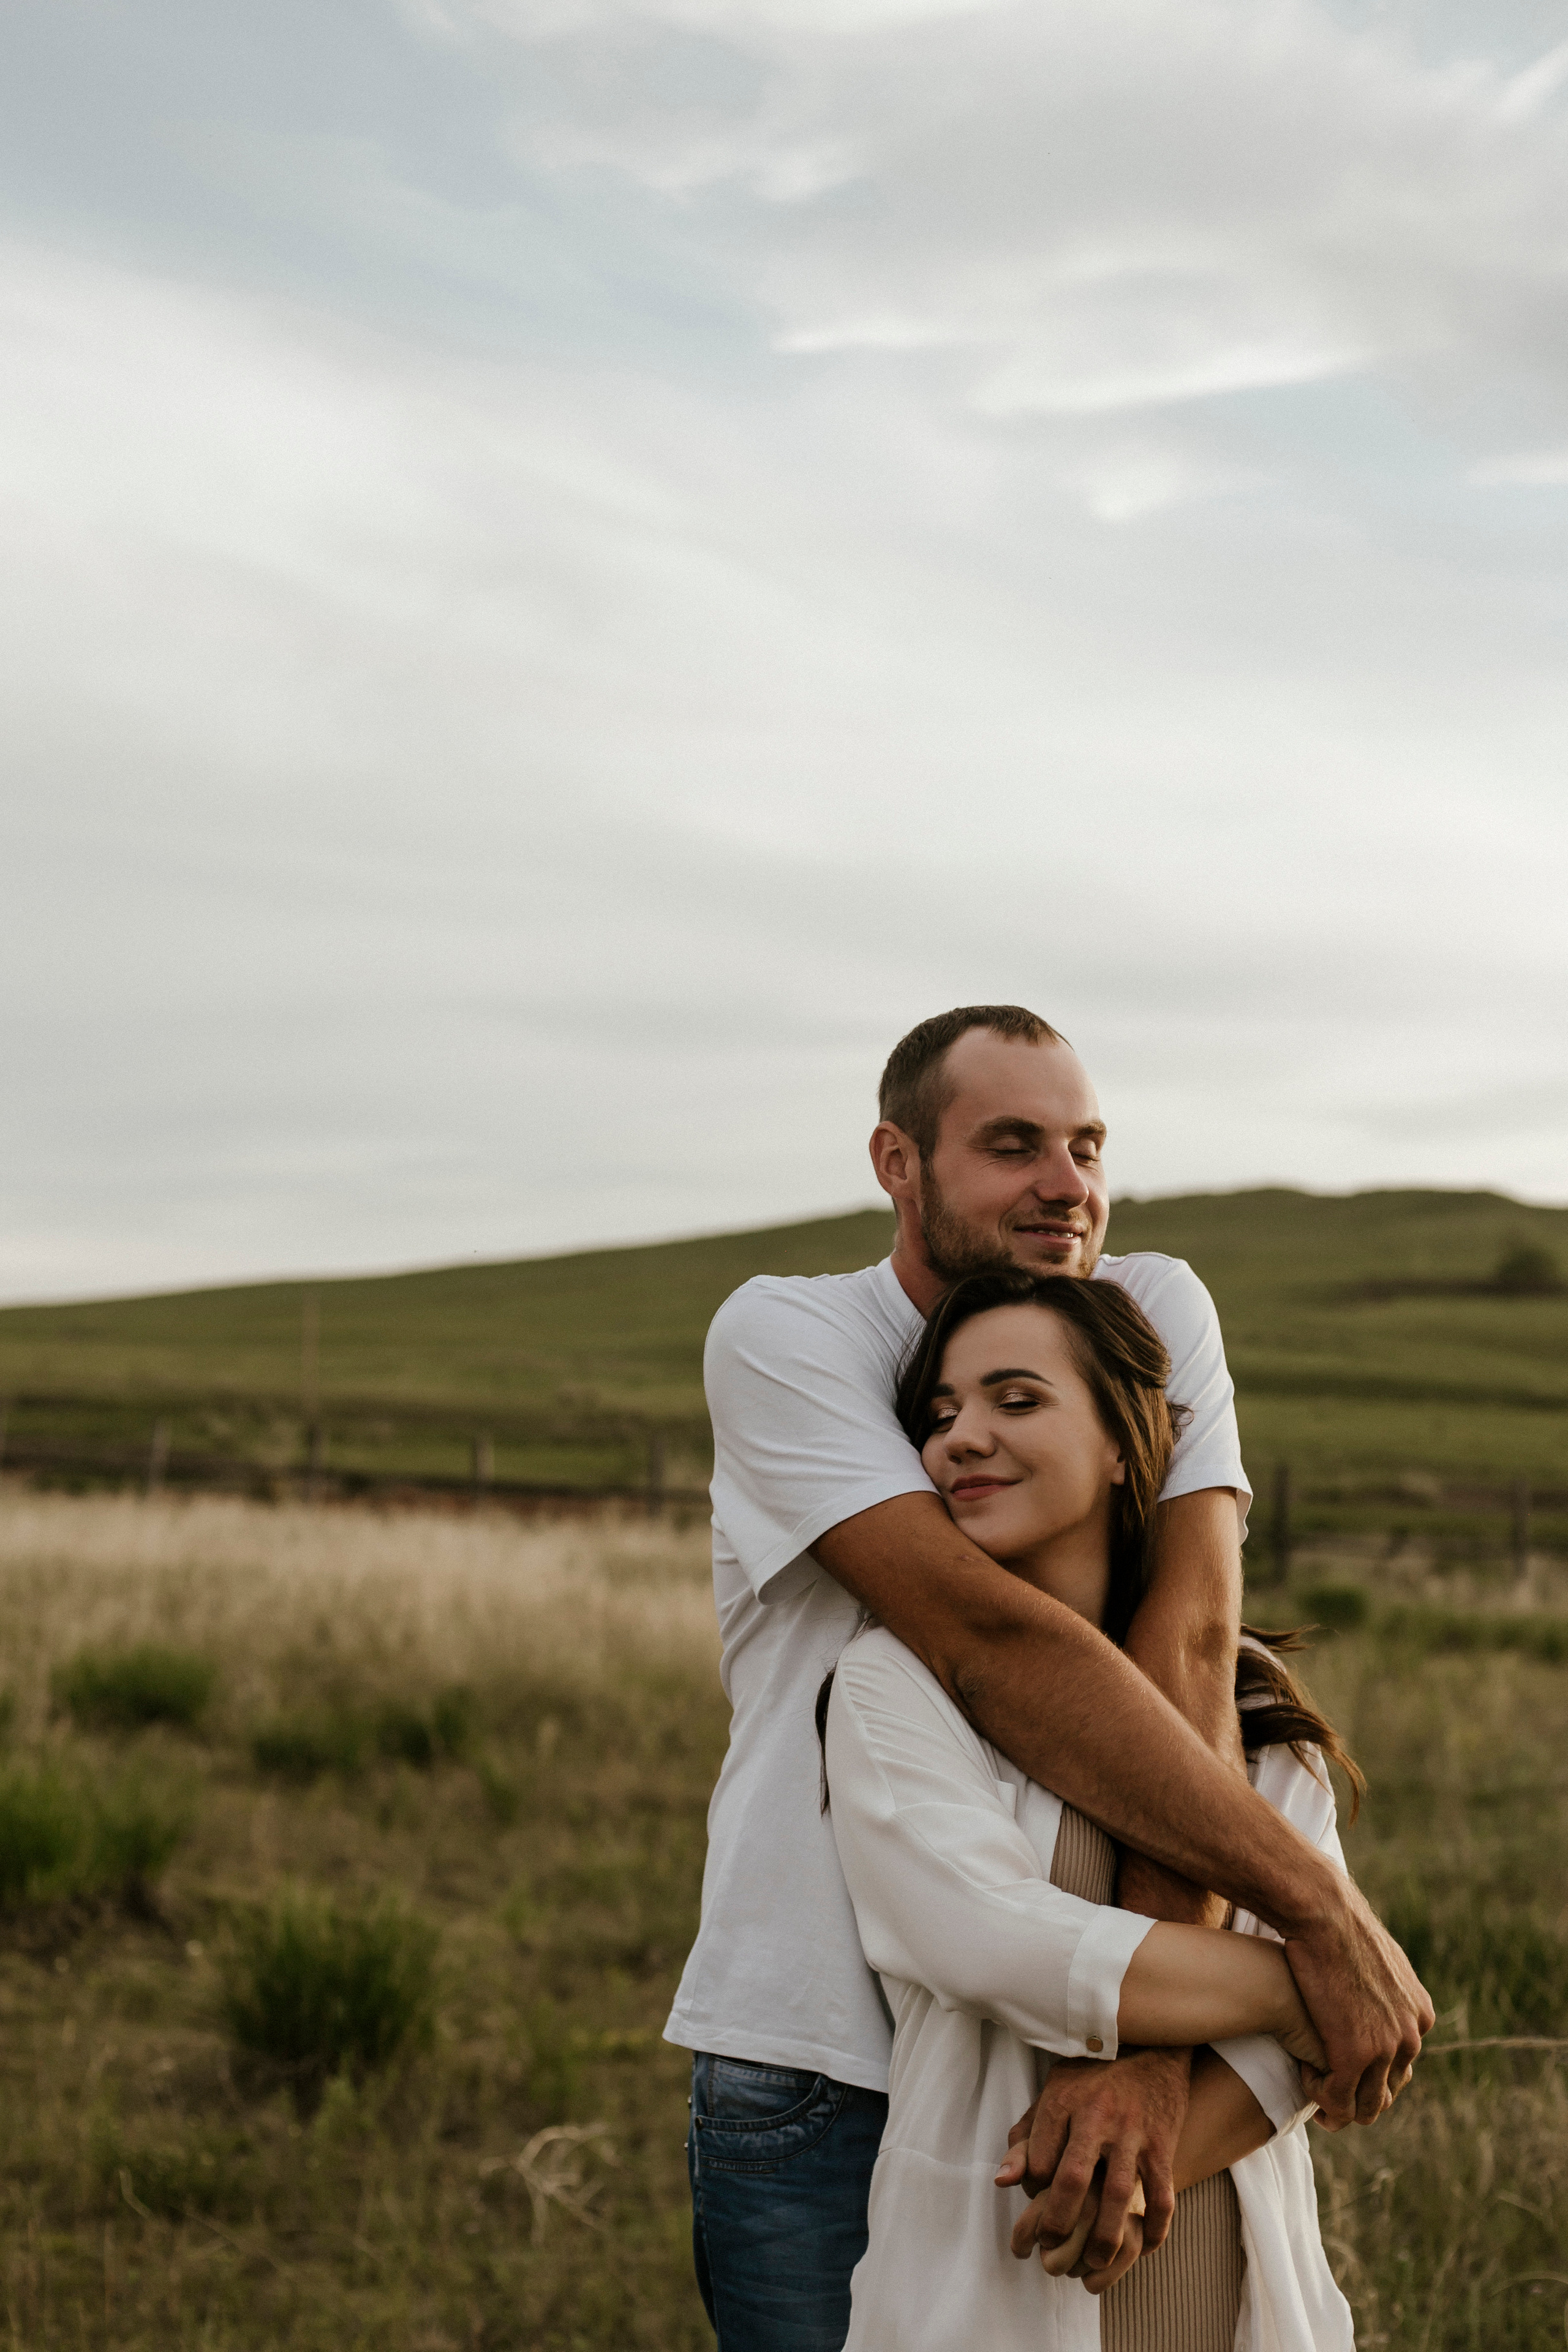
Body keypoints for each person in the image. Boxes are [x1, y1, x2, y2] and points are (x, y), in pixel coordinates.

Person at [666, 1005, 1428, 2352]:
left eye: (1084, 1145)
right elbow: (989, 1642)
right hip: (823, 2050)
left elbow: (1187, 1637)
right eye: (1010, 1145)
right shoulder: (784, 1337)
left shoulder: (1148, 1310)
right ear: (897, 1165)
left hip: (1093, 2034)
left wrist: (1140, 2059)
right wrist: (1312, 1925)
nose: (1065, 1185)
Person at [825, 1268, 1359, 2351]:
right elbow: (988, 1938)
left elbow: (1301, 2060)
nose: (962, 1438)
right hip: (996, 2262)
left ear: (1127, 1444)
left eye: (1016, 1401)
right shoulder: (893, 1683)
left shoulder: (1245, 1697)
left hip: (1210, 2264)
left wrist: (1121, 2177)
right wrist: (1303, 1977)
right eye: (940, 1416)